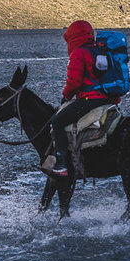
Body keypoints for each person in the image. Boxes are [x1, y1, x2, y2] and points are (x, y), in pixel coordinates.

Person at [47, 20, 116, 176]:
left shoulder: (79, 53)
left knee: (57, 122)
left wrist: (66, 96)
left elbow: (74, 82)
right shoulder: (101, 51)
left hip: (89, 99)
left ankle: (61, 165)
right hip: (107, 99)